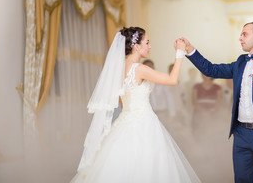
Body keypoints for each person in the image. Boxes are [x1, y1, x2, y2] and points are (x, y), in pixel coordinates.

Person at [71, 27, 201, 183]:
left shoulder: (118, 68)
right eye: (147, 42)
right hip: (143, 122)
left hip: (124, 120)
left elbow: (121, 99)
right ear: (136, 46)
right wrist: (180, 53)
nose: (150, 46)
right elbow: (173, 80)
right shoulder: (139, 69)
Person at [180, 22, 253, 183]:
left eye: (244, 34)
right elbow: (211, 69)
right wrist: (190, 50)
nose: (240, 38)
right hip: (241, 134)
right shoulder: (240, 62)